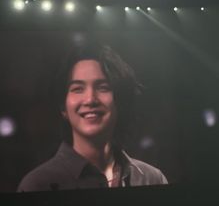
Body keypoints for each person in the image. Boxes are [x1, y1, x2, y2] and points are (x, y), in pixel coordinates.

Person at [17, 42, 167, 192]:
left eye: (103, 88)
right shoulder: (37, 185)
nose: (90, 100)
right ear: (63, 107)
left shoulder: (151, 179)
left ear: (120, 101)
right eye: (78, 89)